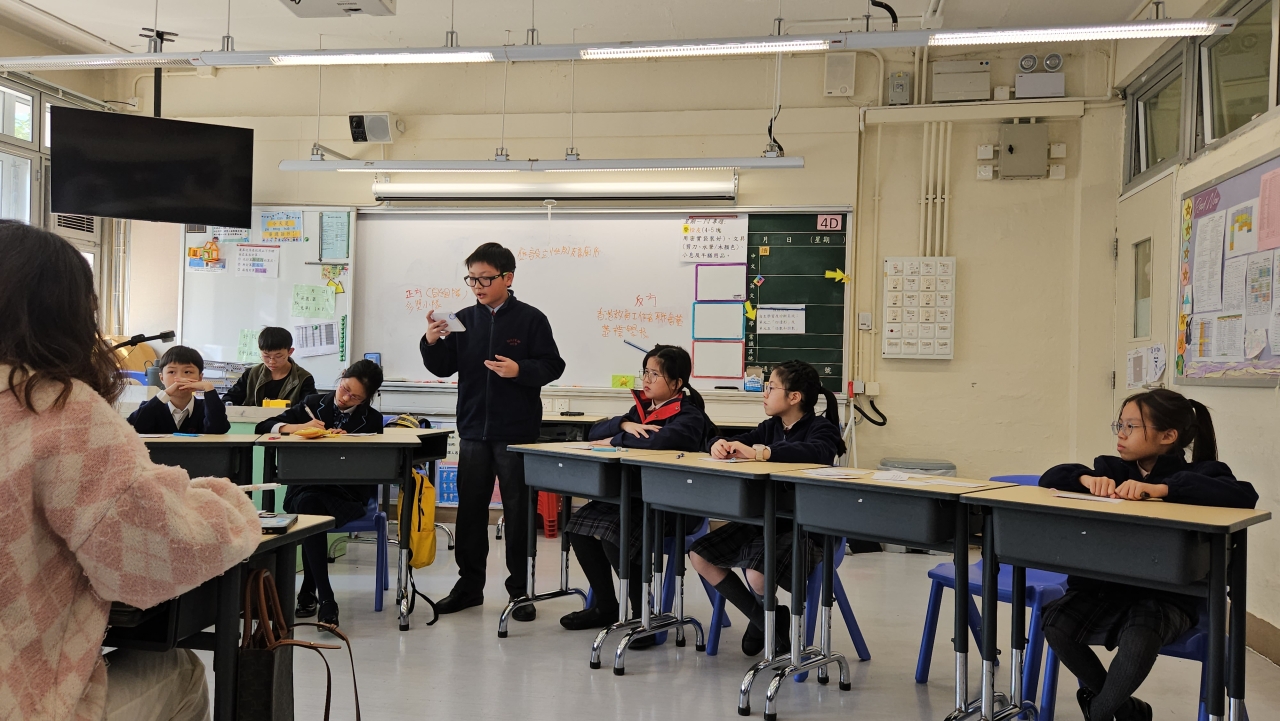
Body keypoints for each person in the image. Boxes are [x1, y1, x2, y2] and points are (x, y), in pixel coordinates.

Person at [0, 220, 261, 721]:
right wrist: (227, 503)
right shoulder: (60, 407)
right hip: (21, 700)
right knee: (181, 670)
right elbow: (146, 563)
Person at [1038, 389, 1258, 721]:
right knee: (1056, 622)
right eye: (1120, 425)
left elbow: (1244, 495)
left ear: (1168, 436)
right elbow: (1051, 477)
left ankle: (1099, 713)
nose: (1121, 434)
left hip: (1167, 596)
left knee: (1140, 635)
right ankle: (1127, 711)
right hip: (1106, 586)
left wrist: (1163, 490)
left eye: (1131, 426)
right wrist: (1085, 479)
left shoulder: (1203, 474)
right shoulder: (1110, 468)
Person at [420, 242, 566, 619]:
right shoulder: (463, 319)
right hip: (472, 430)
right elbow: (442, 367)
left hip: (516, 432)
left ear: (508, 278)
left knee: (518, 513)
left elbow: (553, 365)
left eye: (485, 278)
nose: (478, 286)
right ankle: (469, 587)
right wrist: (431, 341)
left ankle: (520, 591)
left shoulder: (531, 319)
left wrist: (520, 370)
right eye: (472, 279)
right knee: (470, 512)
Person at [688, 359, 846, 656]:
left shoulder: (821, 428)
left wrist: (762, 453)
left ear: (794, 397)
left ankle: (766, 620)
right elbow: (739, 442)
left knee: (757, 574)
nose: (764, 393)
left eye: (771, 387)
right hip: (763, 521)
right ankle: (766, 621)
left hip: (804, 529)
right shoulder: (770, 427)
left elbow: (818, 452)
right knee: (700, 555)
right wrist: (719, 444)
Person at [559, 345, 712, 642]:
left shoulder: (689, 415)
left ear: (676, 383)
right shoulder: (641, 411)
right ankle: (605, 605)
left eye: (655, 374)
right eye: (645, 372)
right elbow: (593, 433)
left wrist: (615, 439)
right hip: (632, 499)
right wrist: (624, 424)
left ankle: (643, 613)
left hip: (671, 505)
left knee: (615, 531)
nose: (646, 380)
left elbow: (659, 441)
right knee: (577, 527)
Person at [255, 359, 385, 628]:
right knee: (309, 503)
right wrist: (297, 428)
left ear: (367, 399)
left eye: (355, 397)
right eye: (345, 389)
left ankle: (312, 592)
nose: (346, 398)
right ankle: (325, 597)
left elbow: (373, 465)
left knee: (309, 508)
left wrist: (345, 442)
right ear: (342, 377)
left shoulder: (371, 419)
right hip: (306, 486)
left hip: (345, 493)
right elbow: (264, 426)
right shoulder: (312, 404)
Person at [126, 345, 230, 434]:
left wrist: (209, 389)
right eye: (171, 372)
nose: (180, 378)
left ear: (199, 378)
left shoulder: (206, 408)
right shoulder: (152, 407)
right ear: (161, 378)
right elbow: (131, 428)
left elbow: (219, 429)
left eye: (187, 372)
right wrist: (165, 394)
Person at [222, 326, 317, 407]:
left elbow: (309, 410)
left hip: (287, 423)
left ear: (290, 352)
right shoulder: (251, 374)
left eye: (278, 356)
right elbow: (229, 400)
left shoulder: (304, 378)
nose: (272, 361)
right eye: (266, 356)